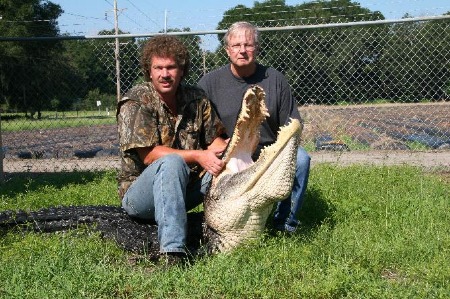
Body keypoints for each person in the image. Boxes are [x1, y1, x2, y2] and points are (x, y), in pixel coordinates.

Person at [117, 35, 227, 265]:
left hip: (185, 187)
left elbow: (214, 141)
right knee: (172, 162)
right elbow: (149, 156)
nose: (165, 74)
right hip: (141, 196)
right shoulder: (136, 102)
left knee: (231, 164)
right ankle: (173, 253)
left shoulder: (197, 98)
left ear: (182, 70)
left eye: (171, 67)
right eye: (158, 67)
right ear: (149, 70)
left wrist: (233, 151)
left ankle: (243, 229)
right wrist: (198, 155)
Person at [198, 21, 311, 233]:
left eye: (248, 45)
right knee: (203, 180)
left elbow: (293, 124)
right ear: (227, 50)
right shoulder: (209, 83)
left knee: (302, 160)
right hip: (231, 151)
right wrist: (216, 145)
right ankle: (217, 225)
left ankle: (285, 224)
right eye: (236, 45)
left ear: (257, 48)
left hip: (269, 149)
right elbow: (199, 127)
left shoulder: (276, 80)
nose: (242, 50)